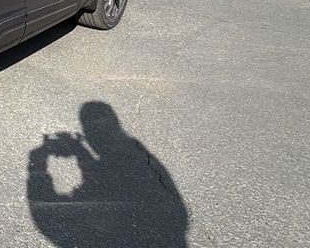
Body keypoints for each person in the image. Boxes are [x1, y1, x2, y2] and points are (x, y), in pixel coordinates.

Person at [27, 102, 189, 247]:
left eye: (96, 131)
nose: (96, 139)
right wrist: (82, 154)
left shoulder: (130, 162)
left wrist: (37, 166)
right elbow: (102, 183)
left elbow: (47, 216)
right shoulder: (137, 159)